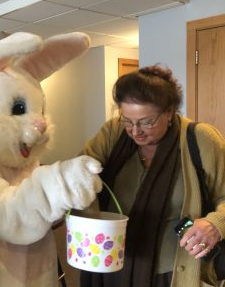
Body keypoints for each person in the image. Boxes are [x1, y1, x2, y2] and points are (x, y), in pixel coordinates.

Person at [80, 65, 225, 287]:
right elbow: (79, 172)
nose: (136, 131)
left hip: (174, 270)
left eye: (147, 122)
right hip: (112, 261)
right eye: (127, 120)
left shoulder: (201, 139)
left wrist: (216, 223)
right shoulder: (114, 132)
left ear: (169, 112)